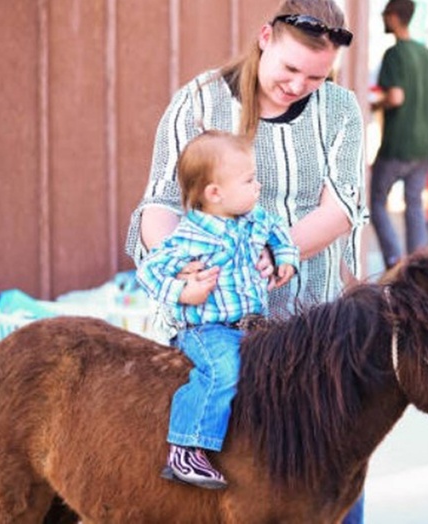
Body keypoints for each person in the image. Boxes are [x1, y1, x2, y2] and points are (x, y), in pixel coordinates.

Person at [125, 0, 366, 518]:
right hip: (212, 322)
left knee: (328, 475)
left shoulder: (341, 110)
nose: (300, 85)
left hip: (305, 324)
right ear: (265, 38)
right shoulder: (200, 101)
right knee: (228, 478)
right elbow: (160, 201)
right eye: (291, 68)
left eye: (316, 77)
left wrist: (282, 251)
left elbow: (344, 205)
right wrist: (179, 269)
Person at [137, 130, 299, 489]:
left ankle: (262, 448)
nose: (258, 186)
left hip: (253, 325)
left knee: (286, 369)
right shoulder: (190, 237)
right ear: (214, 193)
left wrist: (285, 256)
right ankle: (185, 447)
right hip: (208, 331)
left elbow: (277, 230)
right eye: (249, 180)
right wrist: (183, 292)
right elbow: (148, 271)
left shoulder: (253, 218)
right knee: (223, 373)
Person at [370, 0, 428, 270]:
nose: (383, 18)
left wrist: (374, 104)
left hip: (398, 145)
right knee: (414, 204)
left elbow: (396, 97)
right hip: (425, 147)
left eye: (385, 13)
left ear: (395, 17)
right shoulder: (425, 54)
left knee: (376, 202)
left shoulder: (394, 54)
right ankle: (417, 266)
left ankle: (394, 261)